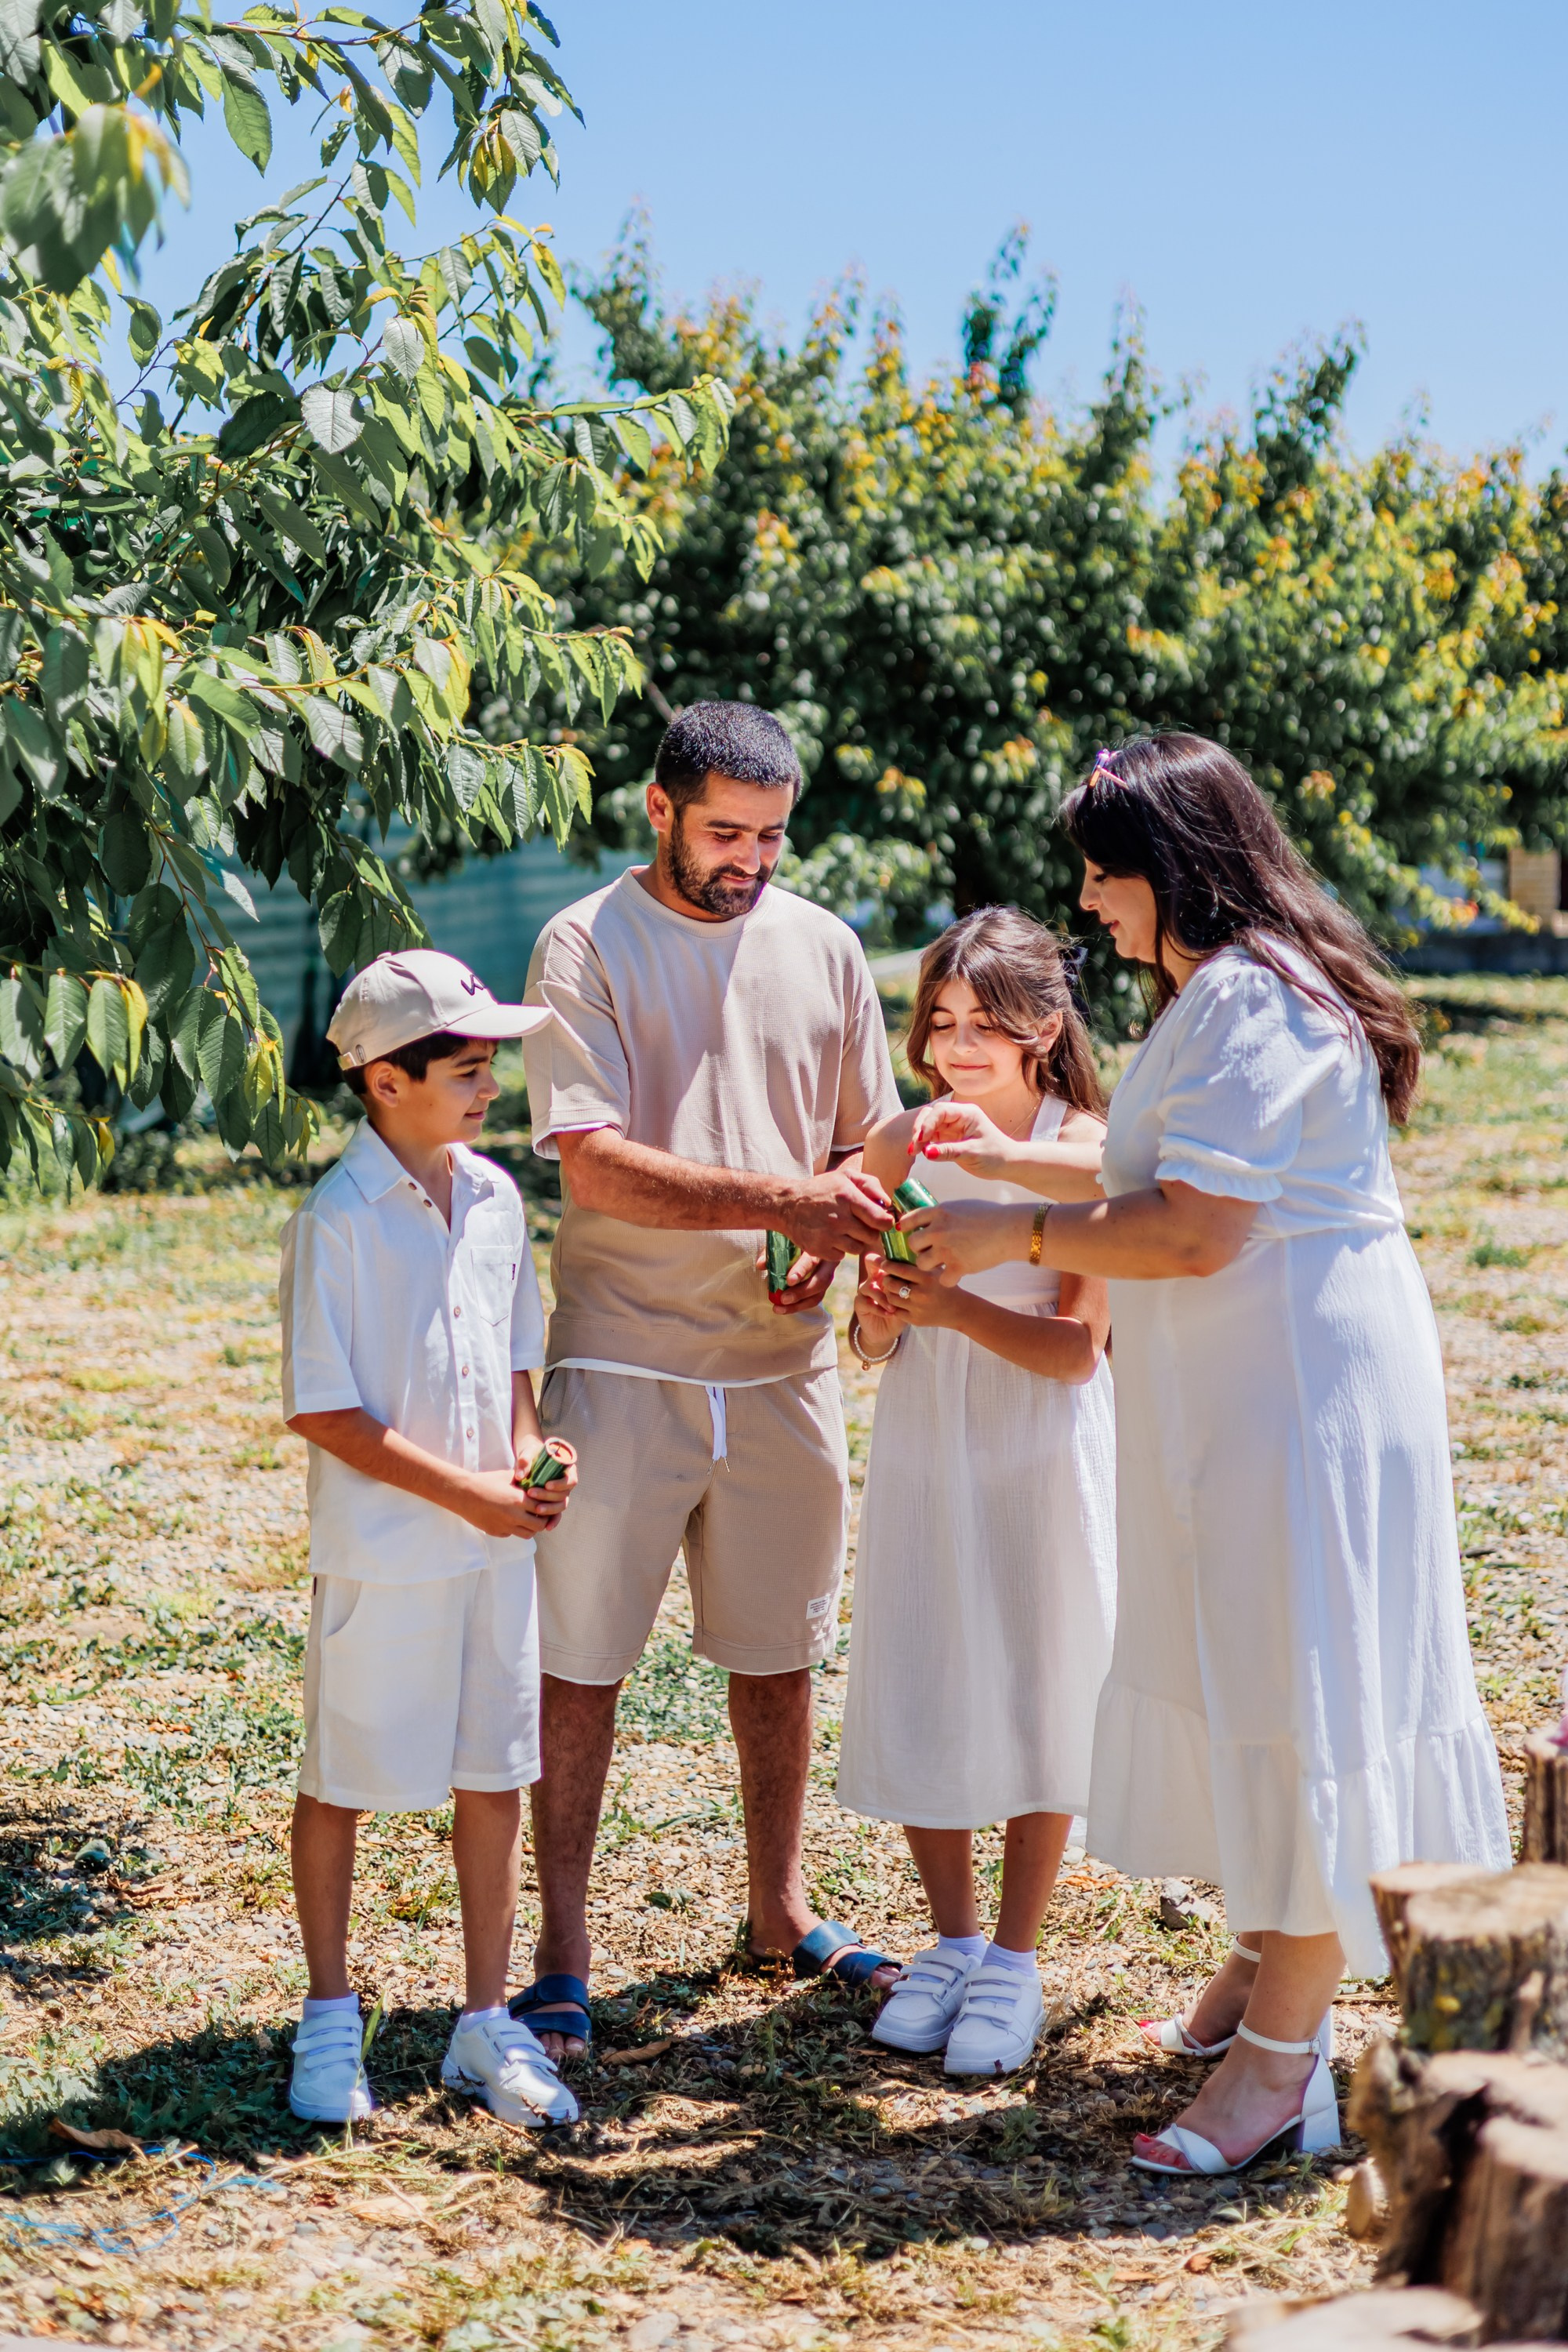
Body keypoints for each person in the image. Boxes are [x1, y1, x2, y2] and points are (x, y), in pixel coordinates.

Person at [898, 735, 1510, 2174]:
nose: (1092, 907)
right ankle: (1263, 1952)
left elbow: (1190, 1229)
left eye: (1104, 877)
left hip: (1300, 1393)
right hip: (1246, 1392)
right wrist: (991, 1158)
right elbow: (1147, 1169)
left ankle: (1282, 2060)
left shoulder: (1255, 1000)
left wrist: (1009, 1233)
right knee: (1246, 1659)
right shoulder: (1230, 987)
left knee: (1296, 1680)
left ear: (1168, 869)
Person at [516, 700, 906, 2059]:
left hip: (786, 1367)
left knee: (780, 1651)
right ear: (659, 809)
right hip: (622, 1352)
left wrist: (837, 1229)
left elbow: (866, 1145)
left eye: (774, 835)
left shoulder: (828, 946)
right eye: (726, 832)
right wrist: (792, 1201)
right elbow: (594, 1162)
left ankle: (779, 1911)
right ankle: (561, 1954)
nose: (750, 860)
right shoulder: (585, 942)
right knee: (580, 1661)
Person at [279, 949, 583, 2130]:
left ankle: (482, 2021)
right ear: (384, 1082)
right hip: (386, 1556)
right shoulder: (338, 1221)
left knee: (495, 1771)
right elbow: (323, 1406)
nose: (489, 1084)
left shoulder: (499, 1199)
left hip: (493, 1551)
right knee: (341, 1778)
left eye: (490, 1061)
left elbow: (517, 1363)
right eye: (465, 1066)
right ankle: (325, 2015)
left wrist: (531, 1455)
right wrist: (470, 1496)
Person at [836, 909, 1117, 2074]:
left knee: (1041, 1672)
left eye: (983, 1027)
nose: (955, 1049)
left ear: (1043, 1029)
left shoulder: (1084, 1145)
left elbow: (1075, 1354)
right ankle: (949, 1939)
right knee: (928, 1659)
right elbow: (860, 1333)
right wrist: (879, 1311)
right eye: (939, 1023)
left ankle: (1012, 1956)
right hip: (926, 1434)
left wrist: (949, 1305)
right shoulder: (900, 1142)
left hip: (1037, 1440)